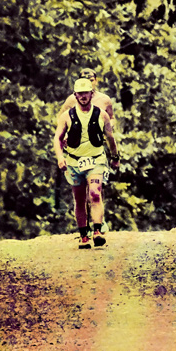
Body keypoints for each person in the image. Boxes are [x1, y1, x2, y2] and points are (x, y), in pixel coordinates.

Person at [54, 77, 120, 249]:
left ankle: (97, 231)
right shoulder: (66, 116)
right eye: (80, 94)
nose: (83, 96)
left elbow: (110, 138)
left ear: (92, 94)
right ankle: (84, 235)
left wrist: (115, 157)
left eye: (86, 93)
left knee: (95, 193)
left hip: (96, 159)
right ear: (75, 95)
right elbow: (57, 138)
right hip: (74, 162)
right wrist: (60, 157)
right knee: (80, 199)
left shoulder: (102, 114)